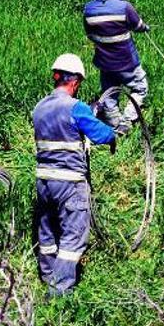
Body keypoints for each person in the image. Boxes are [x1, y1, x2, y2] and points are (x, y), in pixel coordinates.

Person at [33, 53, 116, 295]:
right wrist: (113, 133)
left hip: (43, 182)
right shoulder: (76, 107)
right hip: (69, 184)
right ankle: (59, 294)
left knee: (47, 233)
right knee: (73, 238)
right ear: (75, 82)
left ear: (56, 78)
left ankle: (48, 278)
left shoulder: (39, 108)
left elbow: (61, 129)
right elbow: (102, 135)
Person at [83, 0, 150, 136]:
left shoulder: (89, 9)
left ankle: (113, 124)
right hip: (127, 61)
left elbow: (90, 34)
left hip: (104, 63)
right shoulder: (124, 7)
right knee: (140, 87)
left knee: (109, 93)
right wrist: (145, 28)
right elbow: (138, 26)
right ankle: (127, 120)